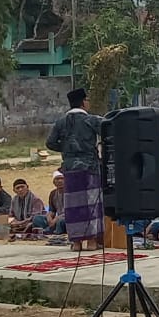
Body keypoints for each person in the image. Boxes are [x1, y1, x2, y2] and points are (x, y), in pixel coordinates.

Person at [45, 88, 105, 251]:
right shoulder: (92, 120)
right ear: (83, 102)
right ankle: (92, 241)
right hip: (89, 168)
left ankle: (76, 242)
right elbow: (108, 133)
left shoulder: (60, 122)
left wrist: (66, 148)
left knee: (73, 206)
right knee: (90, 204)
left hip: (70, 169)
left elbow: (50, 143)